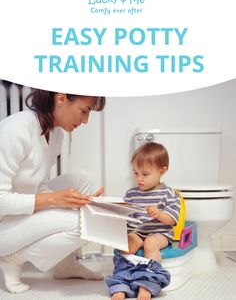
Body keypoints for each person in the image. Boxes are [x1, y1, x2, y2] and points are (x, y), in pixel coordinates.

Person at [0, 89, 106, 293]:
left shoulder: (55, 133)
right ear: (61, 98)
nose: (85, 121)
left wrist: (75, 201)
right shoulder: (15, 130)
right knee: (83, 224)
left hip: (16, 216)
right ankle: (11, 257)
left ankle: (65, 264)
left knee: (81, 180)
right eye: (84, 111)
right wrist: (54, 200)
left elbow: (40, 187)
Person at [110, 142, 180, 300]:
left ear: (162, 171)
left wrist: (160, 214)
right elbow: (126, 217)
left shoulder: (169, 194)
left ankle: (147, 283)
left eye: (145, 174)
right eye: (135, 173)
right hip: (138, 231)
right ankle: (121, 282)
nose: (139, 178)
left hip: (160, 233)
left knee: (150, 243)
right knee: (127, 244)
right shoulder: (132, 193)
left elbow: (172, 220)